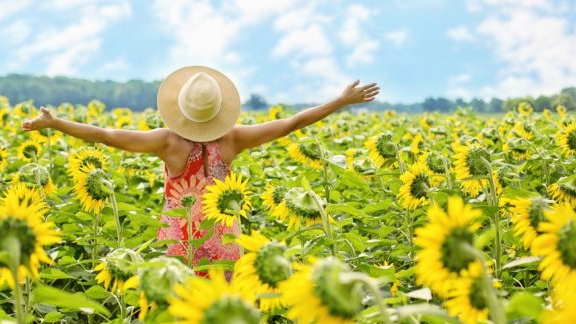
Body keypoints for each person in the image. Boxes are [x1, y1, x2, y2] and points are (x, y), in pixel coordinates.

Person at [23, 65, 379, 265]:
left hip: (184, 242)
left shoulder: (169, 142)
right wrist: (340, 101)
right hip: (225, 241)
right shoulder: (233, 139)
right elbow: (291, 123)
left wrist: (58, 123)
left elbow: (106, 135)